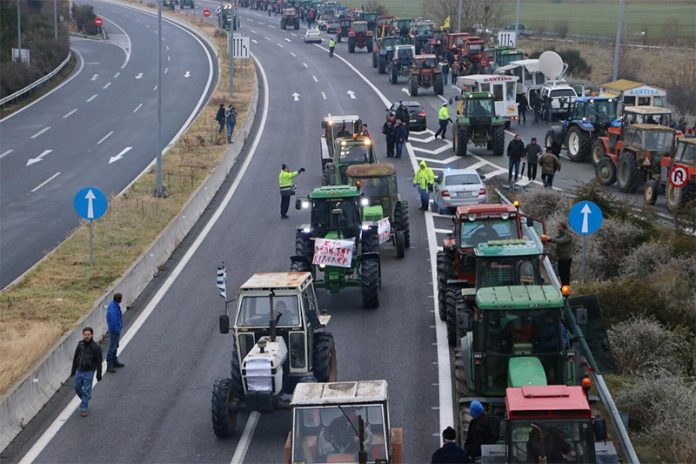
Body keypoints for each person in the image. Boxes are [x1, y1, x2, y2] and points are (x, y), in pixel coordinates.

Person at [71, 327, 103, 417]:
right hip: (79, 370)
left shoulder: (96, 348)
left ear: (92, 335)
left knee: (86, 390)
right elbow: (75, 357)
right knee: (77, 388)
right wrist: (73, 370)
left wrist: (99, 374)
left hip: (89, 372)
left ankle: (84, 408)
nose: (87, 336)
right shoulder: (80, 345)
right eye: (85, 335)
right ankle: (86, 398)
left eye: (88, 335)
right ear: (83, 335)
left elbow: (99, 362)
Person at [106, 293, 124, 373]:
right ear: (120, 299)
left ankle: (114, 361)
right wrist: (117, 330)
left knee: (115, 346)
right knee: (112, 347)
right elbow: (113, 322)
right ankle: (110, 365)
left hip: (115, 329)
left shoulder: (113, 305)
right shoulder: (114, 308)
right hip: (114, 330)